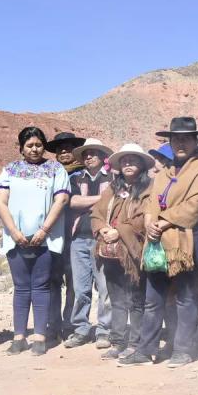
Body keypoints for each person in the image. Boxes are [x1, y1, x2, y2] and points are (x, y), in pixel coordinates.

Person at [119, 117, 198, 368]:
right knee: (154, 296)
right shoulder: (165, 172)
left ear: (195, 140)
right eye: (175, 139)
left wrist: (163, 222)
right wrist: (150, 222)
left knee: (186, 296)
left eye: (185, 138)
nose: (180, 143)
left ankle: (183, 349)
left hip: (186, 241)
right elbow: (151, 201)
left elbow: (196, 205)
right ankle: (146, 348)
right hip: (158, 242)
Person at [0, 127, 70, 356]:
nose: (34, 149)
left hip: (45, 239)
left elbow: (62, 199)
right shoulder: (10, 170)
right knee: (20, 287)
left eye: (38, 145)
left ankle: (39, 335)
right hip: (16, 238)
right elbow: (0, 202)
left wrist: (44, 230)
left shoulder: (55, 169)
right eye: (29, 145)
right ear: (21, 148)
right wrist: (14, 231)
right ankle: (19, 336)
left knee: (40, 286)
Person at [92, 144, 153, 359]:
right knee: (116, 299)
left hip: (134, 252)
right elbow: (97, 213)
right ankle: (118, 340)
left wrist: (119, 231)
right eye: (125, 160)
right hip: (110, 252)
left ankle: (135, 342)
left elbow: (145, 218)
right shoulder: (112, 188)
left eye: (133, 160)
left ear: (142, 165)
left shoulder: (149, 189)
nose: (128, 164)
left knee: (136, 299)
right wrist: (103, 229)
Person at [64, 139, 114, 348]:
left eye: (92, 153)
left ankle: (104, 330)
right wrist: (101, 198)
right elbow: (72, 202)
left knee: (104, 287)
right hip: (79, 240)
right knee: (80, 288)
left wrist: (91, 201)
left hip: (101, 239)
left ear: (103, 156)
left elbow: (114, 202)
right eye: (85, 154)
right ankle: (80, 328)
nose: (88, 157)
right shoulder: (75, 179)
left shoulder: (113, 177)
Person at [46, 132, 86, 345]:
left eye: (69, 147)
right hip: (51, 235)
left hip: (75, 236)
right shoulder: (48, 174)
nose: (64, 151)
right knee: (52, 282)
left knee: (74, 283)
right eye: (60, 148)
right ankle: (52, 325)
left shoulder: (83, 175)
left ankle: (70, 324)